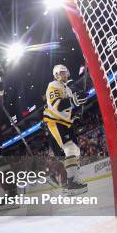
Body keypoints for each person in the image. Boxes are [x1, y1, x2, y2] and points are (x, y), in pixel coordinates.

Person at [43, 64, 88, 195]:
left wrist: (75, 115)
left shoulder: (66, 89)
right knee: (69, 148)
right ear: (56, 75)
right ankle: (71, 182)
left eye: (66, 72)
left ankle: (72, 181)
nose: (65, 74)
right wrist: (73, 101)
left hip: (65, 122)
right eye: (62, 72)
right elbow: (56, 105)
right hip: (55, 122)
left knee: (76, 151)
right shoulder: (53, 85)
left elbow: (68, 109)